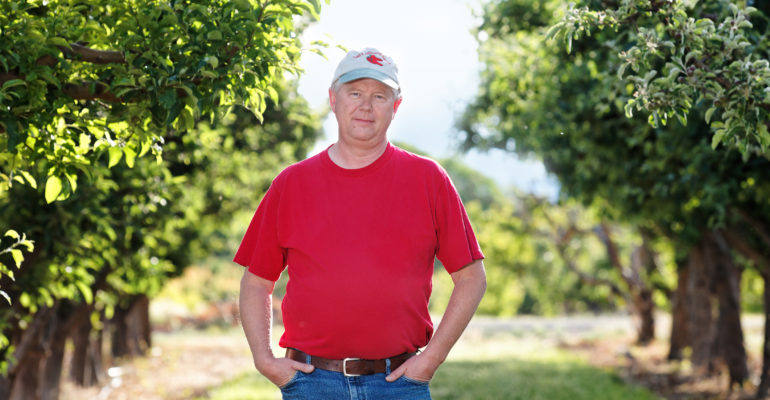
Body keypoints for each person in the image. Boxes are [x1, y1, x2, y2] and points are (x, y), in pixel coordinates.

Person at [235, 47, 486, 400]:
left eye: (379, 96)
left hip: (399, 384)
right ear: (333, 99)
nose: (365, 106)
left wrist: (431, 359)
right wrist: (264, 359)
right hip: (312, 383)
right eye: (355, 93)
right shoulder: (291, 184)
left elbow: (472, 277)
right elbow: (256, 281)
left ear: (396, 107)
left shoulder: (428, 179)